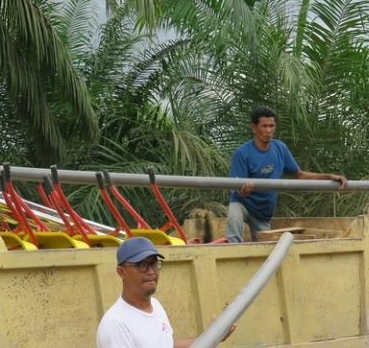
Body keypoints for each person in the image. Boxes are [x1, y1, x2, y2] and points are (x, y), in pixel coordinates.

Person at [227, 106, 347, 242]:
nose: (268, 131)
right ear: (254, 128)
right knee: (234, 219)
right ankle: (231, 252)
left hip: (262, 212)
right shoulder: (242, 153)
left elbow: (299, 174)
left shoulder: (280, 149)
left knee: (265, 248)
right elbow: (239, 189)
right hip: (242, 203)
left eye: (271, 126)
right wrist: (244, 191)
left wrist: (329, 177)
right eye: (264, 126)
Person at [97, 237, 235, 347]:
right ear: (121, 272)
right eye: (142, 265)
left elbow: (167, 345)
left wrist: (211, 336)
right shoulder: (116, 325)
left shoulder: (155, 306)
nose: (151, 271)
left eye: (154, 263)